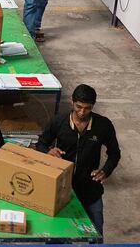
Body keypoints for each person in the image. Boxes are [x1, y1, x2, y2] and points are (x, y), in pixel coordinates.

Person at [37, 84, 120, 234]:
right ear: (72, 102)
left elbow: (114, 153)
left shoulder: (103, 126)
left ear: (93, 106)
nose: (82, 112)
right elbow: (41, 143)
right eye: (78, 106)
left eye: (87, 108)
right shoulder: (59, 121)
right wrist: (49, 151)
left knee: (96, 232)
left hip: (90, 189)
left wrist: (105, 170)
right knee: (58, 232)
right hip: (61, 187)